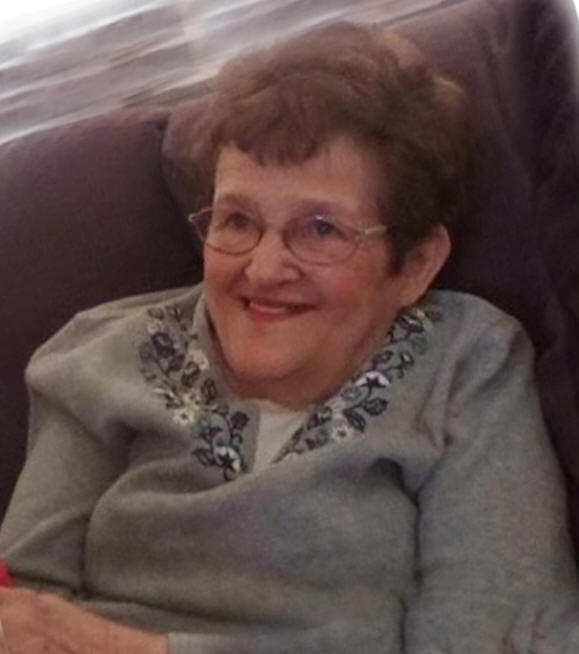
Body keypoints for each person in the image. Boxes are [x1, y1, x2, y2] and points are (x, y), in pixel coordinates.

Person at [0, 21, 577, 654]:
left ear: (416, 264)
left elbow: (494, 637)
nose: (264, 268)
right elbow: (26, 616)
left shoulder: (467, 362)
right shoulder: (96, 354)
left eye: (321, 229)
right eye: (237, 220)